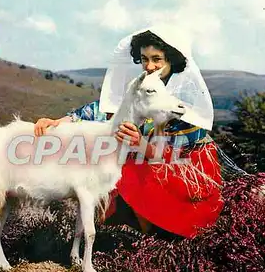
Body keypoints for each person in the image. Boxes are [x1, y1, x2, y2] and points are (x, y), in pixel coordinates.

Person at [34, 24, 225, 239]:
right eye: (145, 59)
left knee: (127, 172)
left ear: (171, 60)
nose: (149, 66)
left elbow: (178, 158)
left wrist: (141, 145)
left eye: (157, 59)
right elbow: (107, 111)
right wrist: (59, 121)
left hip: (186, 176)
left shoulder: (185, 99)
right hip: (151, 165)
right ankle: (139, 239)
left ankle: (158, 240)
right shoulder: (143, 87)